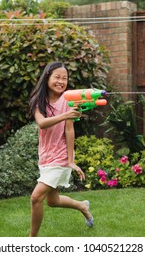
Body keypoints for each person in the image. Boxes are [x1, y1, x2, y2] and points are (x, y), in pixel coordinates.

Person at [28, 61, 94, 237]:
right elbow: (42, 123)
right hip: (45, 156)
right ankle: (82, 206)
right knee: (53, 201)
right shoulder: (38, 101)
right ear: (47, 77)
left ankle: (31, 240)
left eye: (64, 78)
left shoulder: (68, 100)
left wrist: (70, 160)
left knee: (36, 197)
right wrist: (65, 115)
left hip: (60, 156)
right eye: (57, 77)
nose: (61, 81)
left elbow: (69, 129)